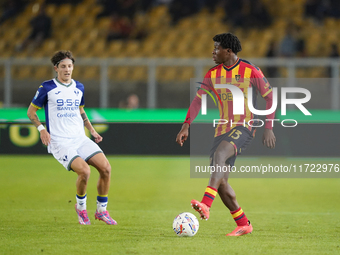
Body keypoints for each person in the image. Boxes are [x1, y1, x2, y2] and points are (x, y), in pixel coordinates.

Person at [176, 33, 276, 236]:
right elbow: (198, 100)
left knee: (219, 156)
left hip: (245, 127)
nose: (213, 52)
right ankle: (243, 224)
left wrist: (268, 127)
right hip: (221, 130)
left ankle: (205, 204)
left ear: (228, 50)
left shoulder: (250, 70)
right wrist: (186, 125)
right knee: (221, 182)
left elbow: (270, 97)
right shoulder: (212, 74)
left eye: (216, 48)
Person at [27, 50, 117, 225]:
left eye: (69, 66)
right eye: (63, 67)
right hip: (60, 142)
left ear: (73, 67)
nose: (67, 70)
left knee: (106, 168)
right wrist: (41, 129)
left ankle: (101, 211)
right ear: (56, 68)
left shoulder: (79, 87)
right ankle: (81, 208)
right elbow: (31, 112)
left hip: (79, 138)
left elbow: (80, 110)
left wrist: (92, 130)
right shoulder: (47, 87)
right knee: (84, 171)